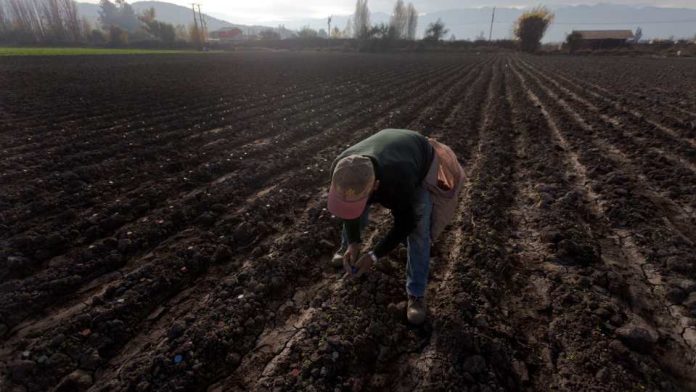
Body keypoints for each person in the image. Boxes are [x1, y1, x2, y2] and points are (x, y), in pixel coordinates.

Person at [327, 128, 463, 325]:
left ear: (376, 186)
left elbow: (405, 223)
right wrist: (354, 242)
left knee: (419, 231)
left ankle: (416, 294)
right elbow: (348, 208)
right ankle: (346, 247)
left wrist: (374, 255)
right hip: (386, 148)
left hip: (418, 158)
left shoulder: (400, 179)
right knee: (354, 203)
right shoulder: (342, 167)